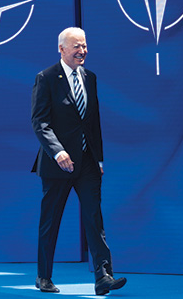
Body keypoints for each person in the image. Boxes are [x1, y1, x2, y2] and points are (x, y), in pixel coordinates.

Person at [31, 27, 127, 295]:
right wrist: (57, 152)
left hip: (87, 162)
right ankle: (44, 276)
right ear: (61, 49)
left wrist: (99, 159)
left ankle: (103, 276)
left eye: (84, 46)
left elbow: (93, 123)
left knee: (94, 218)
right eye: (76, 46)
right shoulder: (46, 78)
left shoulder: (90, 77)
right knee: (50, 222)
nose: (82, 51)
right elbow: (40, 122)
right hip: (57, 164)